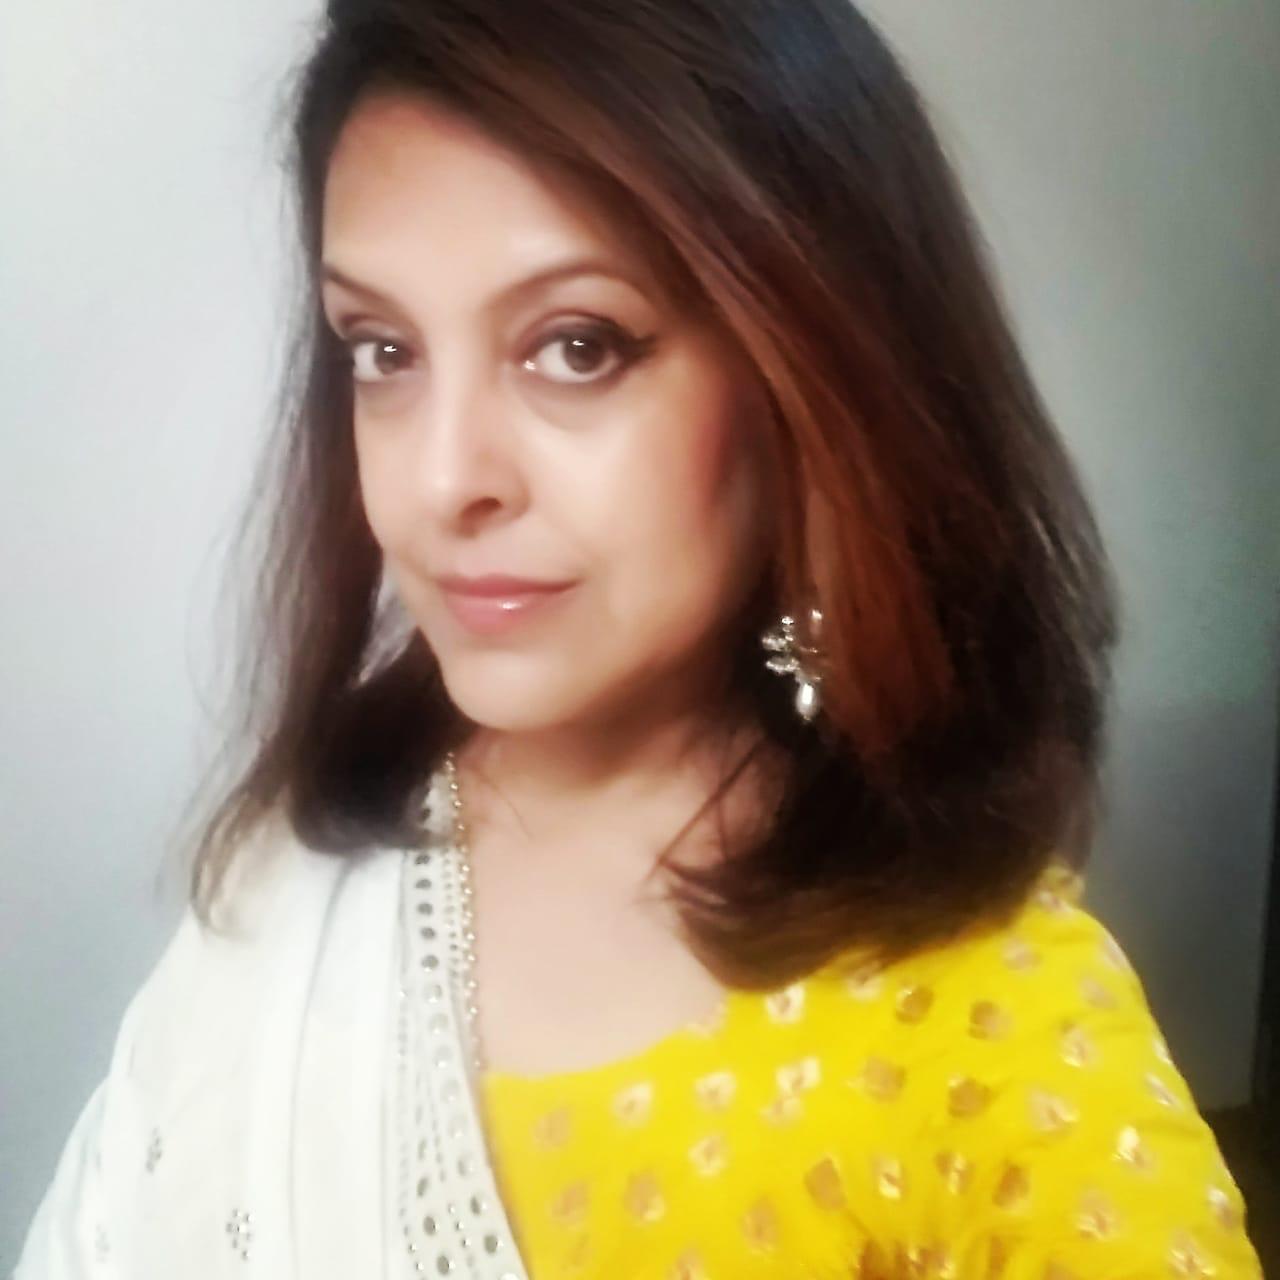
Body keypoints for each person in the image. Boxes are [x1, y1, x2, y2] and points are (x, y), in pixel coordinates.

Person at [15, 0, 1264, 1276]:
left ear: (813, 371)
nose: (440, 481)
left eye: (576, 346)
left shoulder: (984, 1041)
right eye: (382, 350)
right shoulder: (312, 857)